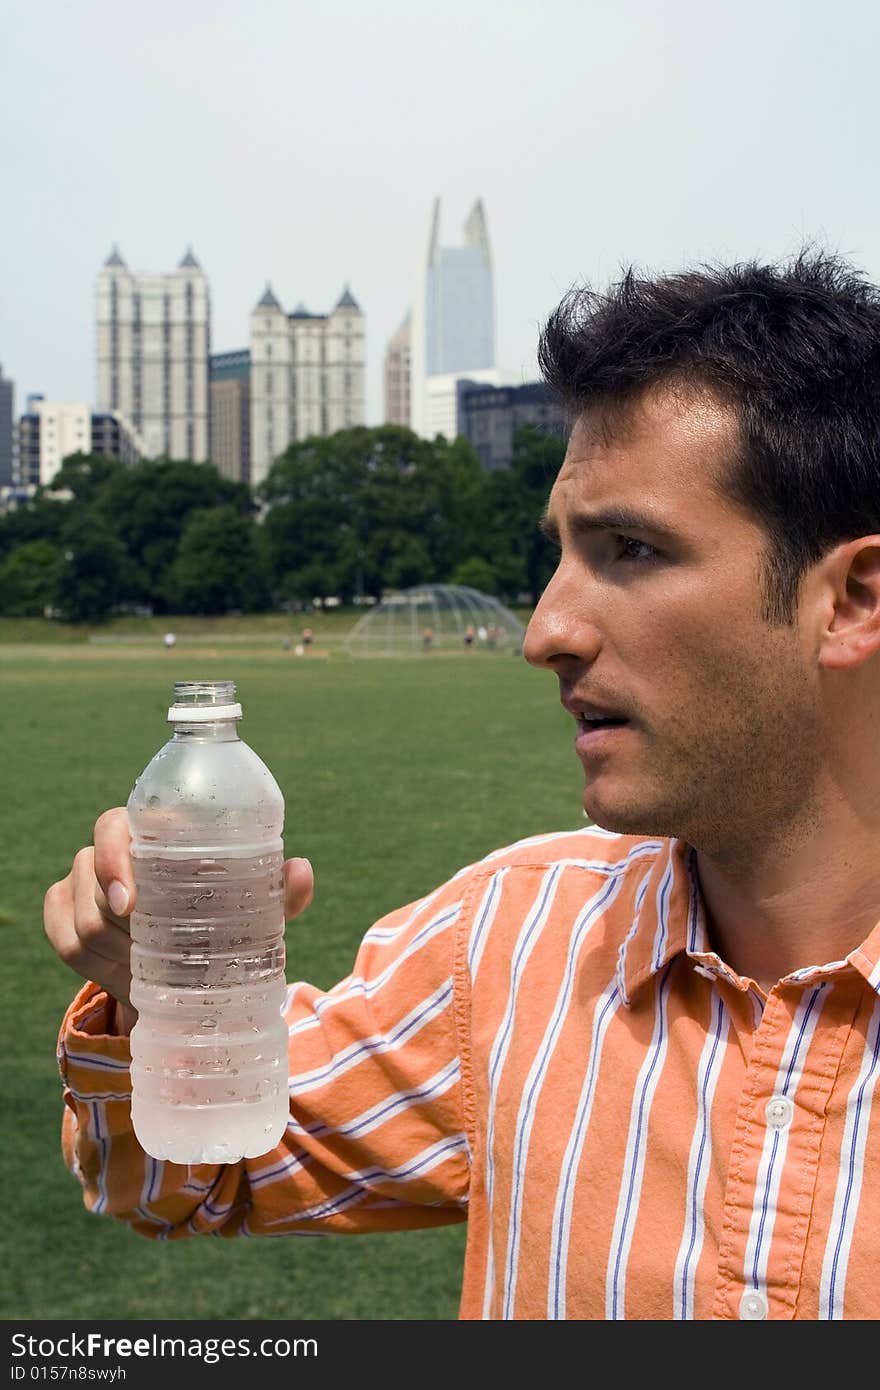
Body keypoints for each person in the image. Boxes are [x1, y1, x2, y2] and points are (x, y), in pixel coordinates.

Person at [44, 250, 880, 1321]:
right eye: (561, 553)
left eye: (630, 548)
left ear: (851, 598)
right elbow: (192, 1178)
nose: (546, 631)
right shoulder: (509, 944)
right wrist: (164, 999)